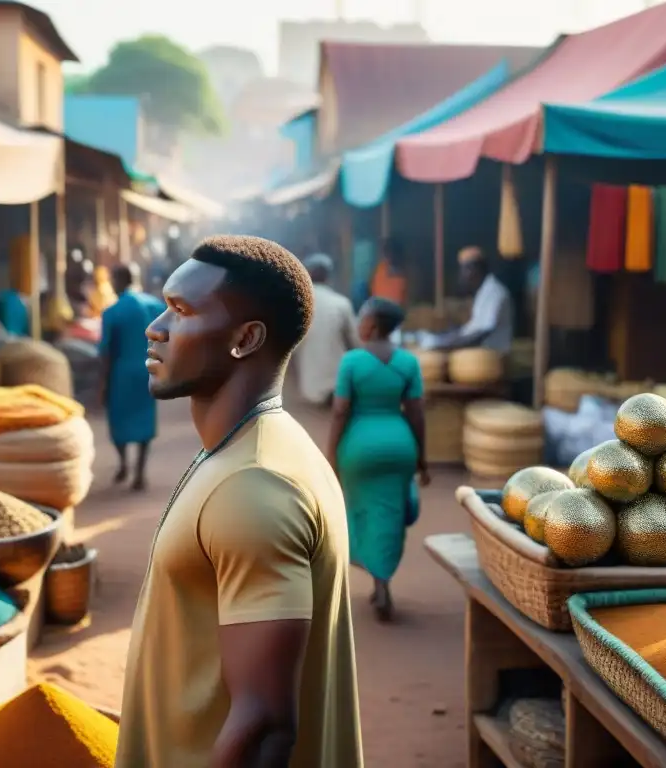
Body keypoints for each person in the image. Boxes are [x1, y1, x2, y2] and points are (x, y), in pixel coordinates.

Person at [117, 235, 363, 768]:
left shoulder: (255, 485)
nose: (154, 327)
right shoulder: (245, 452)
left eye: (180, 311)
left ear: (246, 338)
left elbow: (264, 730)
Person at [326, 297, 429, 622]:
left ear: (371, 326)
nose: (358, 324)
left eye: (361, 319)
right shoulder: (408, 363)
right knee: (391, 513)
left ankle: (375, 573)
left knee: (361, 510)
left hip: (359, 447)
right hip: (399, 444)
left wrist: (330, 453)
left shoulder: (352, 362)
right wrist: (422, 459)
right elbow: (416, 413)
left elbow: (340, 410)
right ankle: (382, 579)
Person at [100, 264, 163, 491]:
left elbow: (106, 352)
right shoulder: (154, 306)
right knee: (145, 419)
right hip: (147, 370)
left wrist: (103, 384)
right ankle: (139, 472)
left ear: (118, 281)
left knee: (119, 420)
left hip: (121, 374)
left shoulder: (112, 312)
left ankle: (123, 463)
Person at [293, 253, 358, 407]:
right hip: (339, 387)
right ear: (328, 276)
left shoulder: (295, 305)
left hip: (308, 391)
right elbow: (355, 343)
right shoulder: (341, 303)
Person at [421, 246, 513, 354]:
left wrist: (450, 345)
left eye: (463, 269)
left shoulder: (495, 292)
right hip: (478, 352)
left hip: (489, 356)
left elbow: (482, 333)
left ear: (474, 269)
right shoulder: (483, 291)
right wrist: (450, 335)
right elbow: (473, 328)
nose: (461, 275)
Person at [370, 237, 408, 307]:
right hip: (380, 310)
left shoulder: (408, 272)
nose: (389, 256)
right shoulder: (379, 270)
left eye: (392, 252)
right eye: (387, 252)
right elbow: (372, 292)